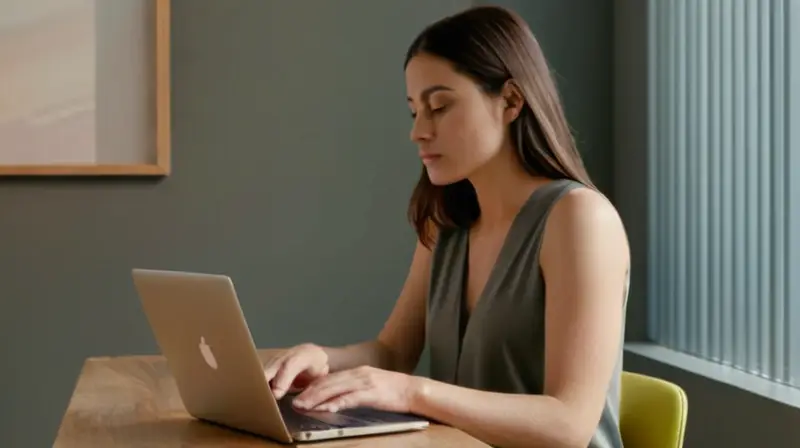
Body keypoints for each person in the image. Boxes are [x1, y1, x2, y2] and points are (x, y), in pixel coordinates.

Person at [263, 5, 630, 448]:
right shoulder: (448, 222)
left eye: (440, 106)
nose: (418, 130)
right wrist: (324, 359)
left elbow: (569, 425)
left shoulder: (580, 219)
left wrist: (412, 393)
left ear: (511, 101)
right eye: (414, 110)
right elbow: (393, 352)